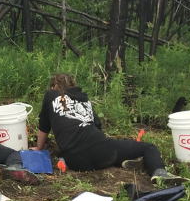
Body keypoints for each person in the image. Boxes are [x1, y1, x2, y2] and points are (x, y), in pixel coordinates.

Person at [34, 73, 178, 182]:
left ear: (53, 87)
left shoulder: (50, 95)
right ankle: (160, 174)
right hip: (102, 152)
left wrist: (39, 149)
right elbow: (97, 126)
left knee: (67, 152)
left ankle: (126, 162)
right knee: (148, 147)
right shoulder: (84, 100)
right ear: (72, 85)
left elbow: (44, 126)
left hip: (75, 161)